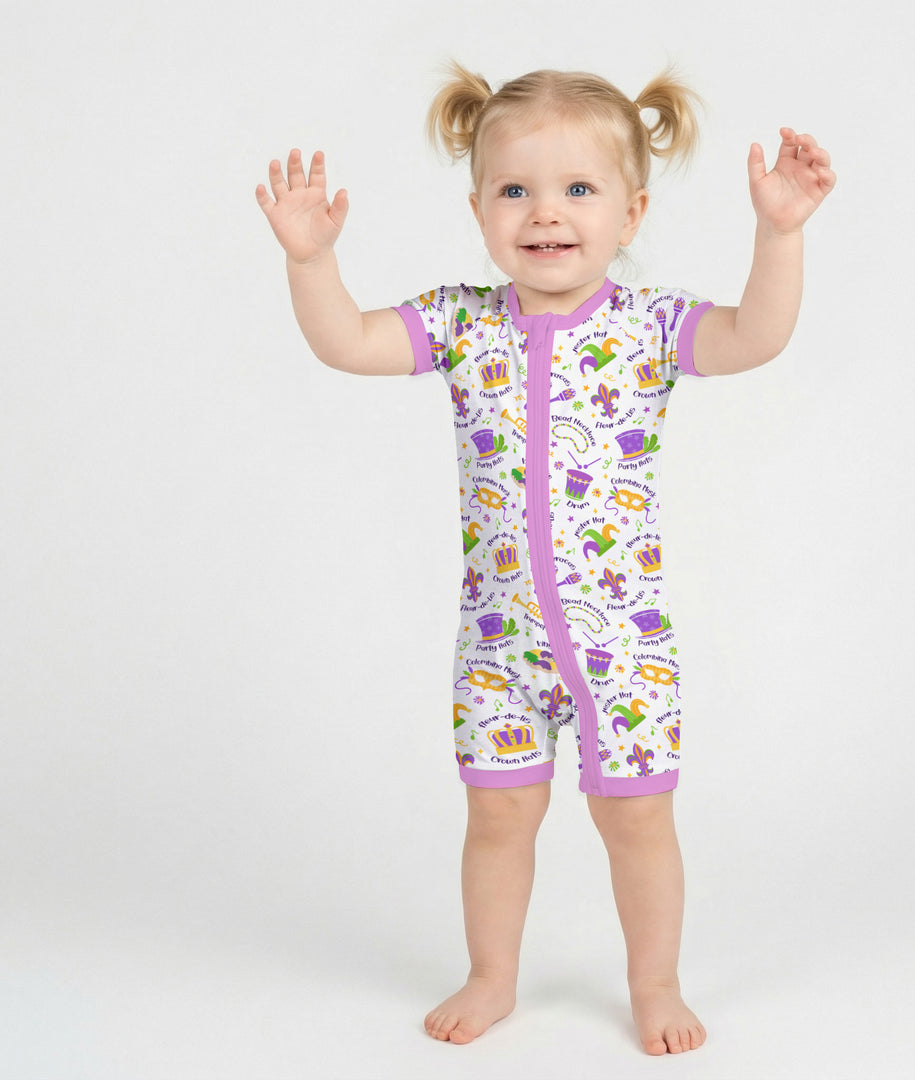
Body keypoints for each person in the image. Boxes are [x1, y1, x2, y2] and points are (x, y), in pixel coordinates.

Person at [255, 62, 835, 1056]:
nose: (546, 213)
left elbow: (756, 337)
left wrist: (779, 235)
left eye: (578, 189)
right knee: (497, 821)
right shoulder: (460, 322)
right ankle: (491, 976)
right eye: (515, 189)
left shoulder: (650, 327)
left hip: (624, 650)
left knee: (639, 826)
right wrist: (312, 262)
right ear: (479, 208)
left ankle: (655, 984)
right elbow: (347, 342)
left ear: (631, 210)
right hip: (497, 647)